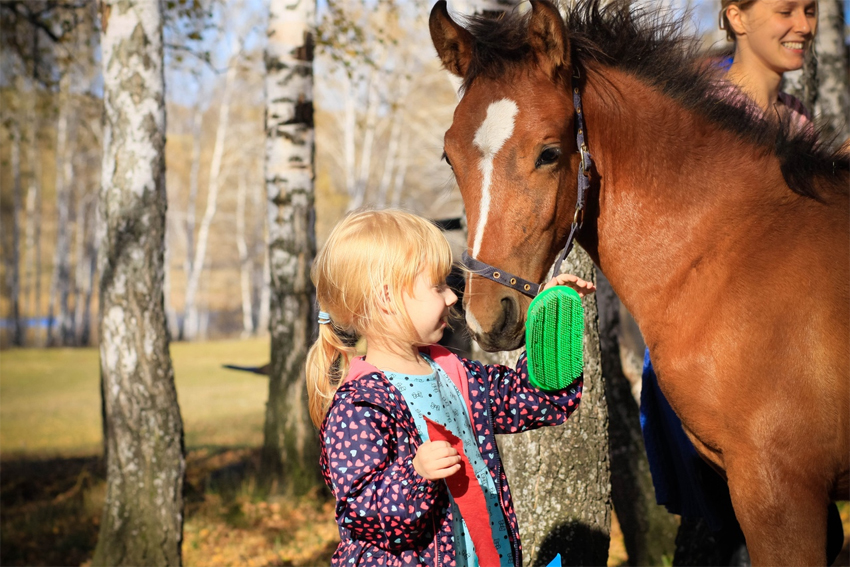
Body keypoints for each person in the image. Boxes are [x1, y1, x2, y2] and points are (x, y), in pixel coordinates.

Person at [306, 209, 595, 567]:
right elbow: (363, 514)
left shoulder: (455, 374)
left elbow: (532, 398)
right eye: (437, 286)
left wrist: (549, 322)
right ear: (386, 299)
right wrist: (416, 475)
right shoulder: (359, 406)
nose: (451, 297)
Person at [719, 0, 816, 129]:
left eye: (810, 13)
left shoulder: (798, 114)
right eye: (785, 12)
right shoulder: (711, 110)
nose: (805, 28)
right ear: (738, 19)